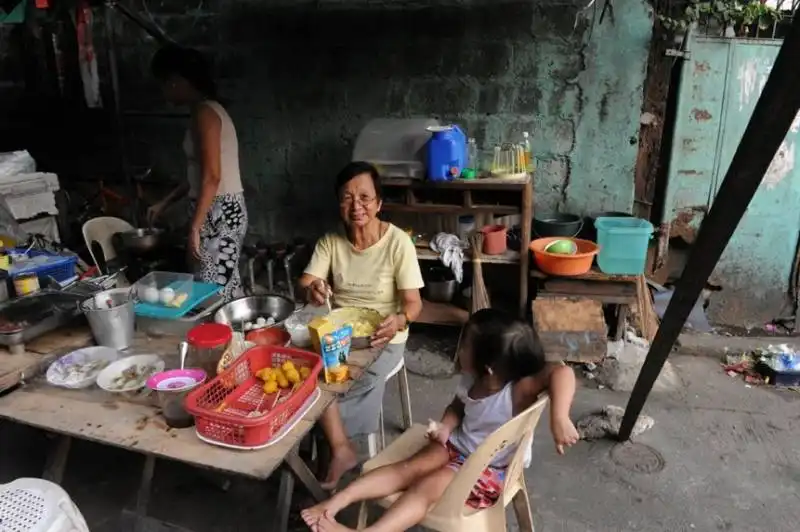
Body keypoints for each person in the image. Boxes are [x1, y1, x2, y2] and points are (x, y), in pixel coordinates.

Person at [301, 308, 579, 532]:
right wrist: (447, 424)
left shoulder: (517, 391)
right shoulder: (474, 378)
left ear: (489, 368)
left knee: (423, 489)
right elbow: (459, 405)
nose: (460, 350)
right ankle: (335, 503)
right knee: (407, 469)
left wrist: (559, 417)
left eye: (466, 346)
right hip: (458, 445)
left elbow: (562, 373)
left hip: (487, 468)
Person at [297, 161, 424, 489]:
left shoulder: (398, 244)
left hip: (383, 337)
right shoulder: (331, 242)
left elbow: (414, 305)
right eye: (347, 198)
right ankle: (334, 448)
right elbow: (307, 280)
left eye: (365, 198)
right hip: (340, 336)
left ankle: (333, 451)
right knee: (310, 377)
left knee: (339, 387)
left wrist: (399, 320)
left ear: (379, 203)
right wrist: (313, 288)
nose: (357, 206)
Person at [146, 45, 247, 301]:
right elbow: (198, 174)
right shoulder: (203, 112)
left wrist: (195, 227)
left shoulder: (205, 112)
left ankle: (225, 335)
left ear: (178, 81)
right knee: (218, 283)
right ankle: (234, 334)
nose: (163, 90)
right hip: (216, 208)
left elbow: (212, 176)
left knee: (213, 289)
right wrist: (165, 203)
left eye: (165, 83)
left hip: (220, 210)